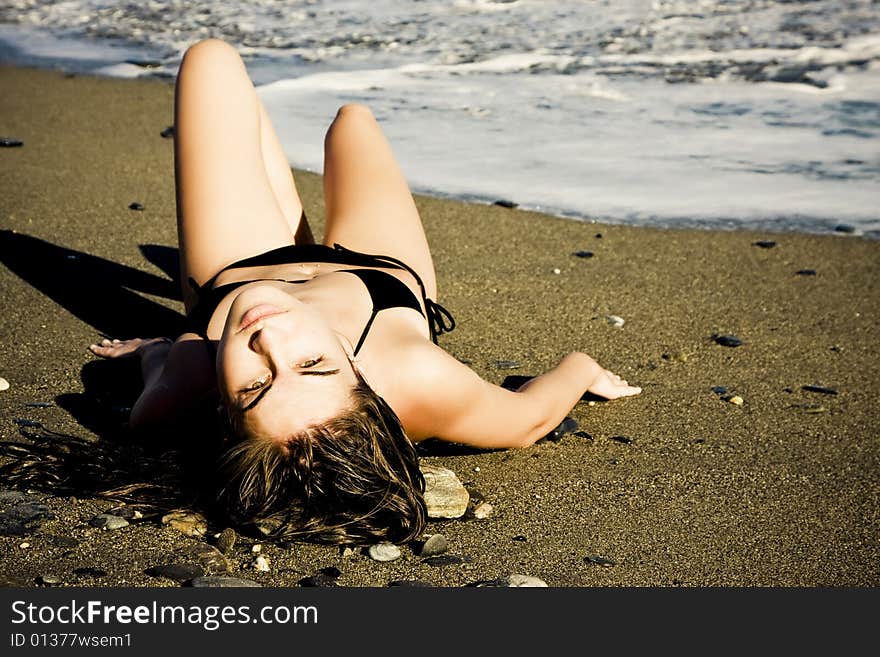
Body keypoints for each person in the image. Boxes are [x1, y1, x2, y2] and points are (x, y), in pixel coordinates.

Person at [89, 39, 641, 545]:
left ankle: (277, 208)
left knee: (211, 58)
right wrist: (584, 369)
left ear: (223, 411)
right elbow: (529, 422)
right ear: (361, 377)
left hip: (242, 265)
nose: (269, 335)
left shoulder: (186, 386)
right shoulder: (424, 381)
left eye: (256, 385)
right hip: (377, 272)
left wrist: (149, 351)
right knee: (352, 122)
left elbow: (163, 360)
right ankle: (289, 205)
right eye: (312, 362)